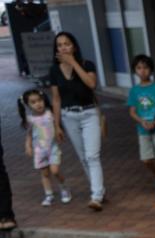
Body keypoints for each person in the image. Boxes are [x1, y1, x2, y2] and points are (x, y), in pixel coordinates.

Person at [47, 31, 104, 211]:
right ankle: (99, 189)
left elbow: (91, 84)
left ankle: (96, 196)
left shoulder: (87, 64)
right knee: (83, 157)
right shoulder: (54, 70)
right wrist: (57, 125)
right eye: (60, 45)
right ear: (56, 49)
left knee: (92, 156)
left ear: (74, 46)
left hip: (89, 114)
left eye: (67, 43)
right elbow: (56, 99)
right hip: (68, 116)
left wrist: (73, 63)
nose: (63, 47)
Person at [126, 55, 155, 203]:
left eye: (145, 67)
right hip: (143, 130)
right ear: (135, 71)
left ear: (151, 70)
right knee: (146, 160)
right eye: (139, 68)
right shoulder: (134, 91)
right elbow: (132, 111)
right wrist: (142, 122)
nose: (142, 71)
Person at [18, 89, 71, 206]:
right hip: (39, 151)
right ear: (28, 105)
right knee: (45, 174)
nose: (38, 104)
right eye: (33, 102)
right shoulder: (30, 119)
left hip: (53, 148)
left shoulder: (50, 114)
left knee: (55, 171)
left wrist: (59, 132)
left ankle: (64, 188)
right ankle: (49, 194)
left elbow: (57, 127)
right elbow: (29, 134)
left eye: (39, 100)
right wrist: (28, 145)